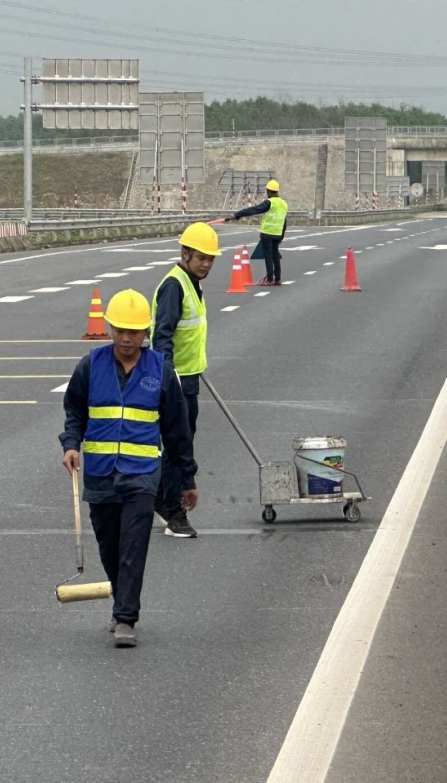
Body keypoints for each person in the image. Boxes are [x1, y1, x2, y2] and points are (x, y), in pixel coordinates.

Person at [60, 289, 198, 648]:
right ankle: (121, 601)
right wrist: (71, 445)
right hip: (101, 474)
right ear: (109, 328)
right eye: (120, 329)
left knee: (133, 545)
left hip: (141, 475)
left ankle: (125, 617)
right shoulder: (90, 366)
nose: (126, 337)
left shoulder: (160, 371)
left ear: (145, 333)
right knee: (109, 545)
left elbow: (177, 430)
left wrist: (187, 478)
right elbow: (74, 411)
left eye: (134, 331)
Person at [149, 221, 220, 539]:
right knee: (179, 445)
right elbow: (161, 336)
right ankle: (173, 512)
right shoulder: (175, 285)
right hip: (175, 381)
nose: (206, 263)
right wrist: (170, 379)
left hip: (188, 376)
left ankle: (164, 502)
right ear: (186, 252)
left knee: (181, 441)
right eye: (201, 257)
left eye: (210, 258)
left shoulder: (191, 283)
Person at [225, 179, 288, 285]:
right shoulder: (284, 204)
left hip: (267, 233)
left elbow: (254, 210)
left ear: (268, 191)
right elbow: (284, 221)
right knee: (275, 256)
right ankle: (277, 279)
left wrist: (238, 214)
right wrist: (281, 236)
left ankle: (269, 279)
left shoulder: (269, 202)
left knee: (268, 255)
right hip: (277, 233)